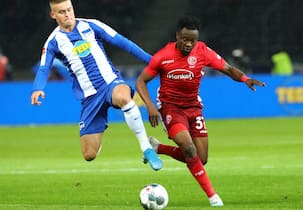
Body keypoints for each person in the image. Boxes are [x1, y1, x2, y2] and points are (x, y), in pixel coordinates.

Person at [136, 17, 265, 206]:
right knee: (188, 148)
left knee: (200, 158)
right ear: (177, 36)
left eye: (192, 40)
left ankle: (158, 148)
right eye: (185, 39)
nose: (188, 44)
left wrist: (246, 79)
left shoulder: (203, 51)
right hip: (170, 107)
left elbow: (228, 69)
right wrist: (150, 106)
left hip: (193, 107)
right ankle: (213, 196)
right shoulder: (163, 55)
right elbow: (141, 81)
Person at [31, 0, 162, 170]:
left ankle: (146, 148)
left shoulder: (91, 25)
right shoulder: (53, 42)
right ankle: (98, 133)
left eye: (69, 9)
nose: (67, 14)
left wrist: (152, 61)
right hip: (89, 97)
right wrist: (37, 88)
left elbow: (123, 43)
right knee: (89, 155)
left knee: (123, 97)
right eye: (62, 12)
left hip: (110, 83)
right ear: (53, 15)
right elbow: (44, 67)